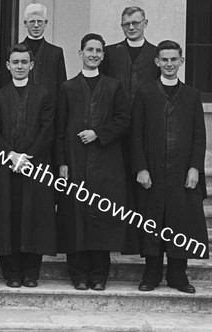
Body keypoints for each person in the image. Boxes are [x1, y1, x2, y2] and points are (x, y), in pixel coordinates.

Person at [131, 40, 209, 294]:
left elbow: (199, 136)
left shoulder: (191, 95)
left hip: (182, 170)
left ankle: (178, 274)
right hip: (152, 169)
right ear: (157, 62)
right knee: (153, 220)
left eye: (173, 59)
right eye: (164, 60)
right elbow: (136, 135)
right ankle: (151, 273)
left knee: (181, 221)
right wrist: (141, 167)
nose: (169, 64)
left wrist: (195, 167)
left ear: (181, 61)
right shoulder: (145, 93)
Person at [55, 33, 130, 291]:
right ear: (81, 53)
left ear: (103, 55)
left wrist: (99, 133)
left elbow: (123, 120)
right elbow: (59, 128)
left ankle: (99, 275)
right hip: (74, 161)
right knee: (75, 218)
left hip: (106, 162)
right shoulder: (67, 87)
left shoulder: (113, 86)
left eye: (99, 50)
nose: (94, 54)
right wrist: (62, 162)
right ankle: (78, 274)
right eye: (89, 50)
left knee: (102, 217)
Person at [0, 43, 56, 288]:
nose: (19, 67)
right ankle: (11, 272)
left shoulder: (44, 94)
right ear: (7, 65)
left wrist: (27, 157)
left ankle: (31, 273)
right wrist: (11, 156)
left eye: (24, 62)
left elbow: (47, 130)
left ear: (32, 65)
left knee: (33, 217)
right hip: (6, 167)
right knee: (9, 217)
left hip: (35, 167)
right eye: (15, 62)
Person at [101, 6, 160, 255]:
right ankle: (119, 239)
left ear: (145, 23)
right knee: (117, 186)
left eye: (136, 23)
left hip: (148, 133)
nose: (131, 27)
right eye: (126, 24)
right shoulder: (110, 53)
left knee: (145, 188)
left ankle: (143, 242)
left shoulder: (158, 54)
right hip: (117, 132)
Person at [0, 3, 66, 102]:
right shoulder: (13, 52)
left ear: (46, 23)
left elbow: (62, 89)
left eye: (39, 22)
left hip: (49, 111)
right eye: (32, 22)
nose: (36, 25)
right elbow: (6, 86)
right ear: (25, 23)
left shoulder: (56, 52)